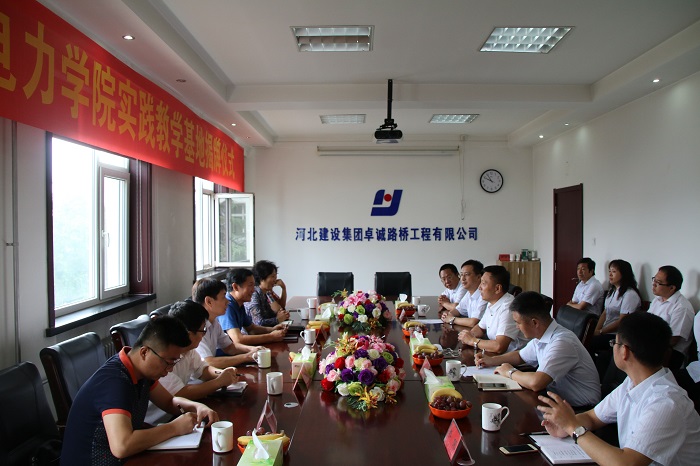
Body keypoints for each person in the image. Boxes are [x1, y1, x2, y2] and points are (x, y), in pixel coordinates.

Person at [537, 312, 700, 466]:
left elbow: (626, 463)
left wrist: (573, 428)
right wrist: (564, 425)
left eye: (614, 343)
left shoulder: (666, 403)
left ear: (624, 351)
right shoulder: (632, 383)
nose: (613, 347)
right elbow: (593, 417)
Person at [60, 317, 219, 466]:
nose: (170, 370)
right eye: (168, 362)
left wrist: (197, 407)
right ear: (144, 352)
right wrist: (174, 428)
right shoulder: (115, 382)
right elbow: (122, 446)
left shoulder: (140, 372)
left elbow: (168, 401)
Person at [476, 292, 600, 408]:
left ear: (534, 323)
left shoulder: (562, 342)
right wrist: (492, 360)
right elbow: (520, 356)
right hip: (556, 398)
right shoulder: (542, 335)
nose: (516, 327)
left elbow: (537, 383)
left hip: (580, 409)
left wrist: (510, 372)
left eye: (518, 322)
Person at [145, 300, 239, 424]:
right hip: (158, 421)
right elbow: (180, 393)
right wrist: (219, 382)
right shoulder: (162, 355)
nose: (204, 334)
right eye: (203, 330)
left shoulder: (188, 350)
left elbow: (203, 370)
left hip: (178, 414)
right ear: (188, 334)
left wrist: (223, 374)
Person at [192, 277, 260, 369]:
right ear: (209, 301)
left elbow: (229, 347)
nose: (227, 301)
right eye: (223, 296)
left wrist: (253, 349)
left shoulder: (214, 322)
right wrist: (247, 357)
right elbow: (208, 362)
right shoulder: (195, 327)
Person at [458, 265, 525, 354]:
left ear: (497, 288)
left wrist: (472, 341)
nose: (479, 287)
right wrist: (469, 335)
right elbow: (480, 328)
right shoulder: (492, 302)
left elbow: (499, 346)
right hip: (496, 355)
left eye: (483, 283)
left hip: (515, 358)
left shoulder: (508, 308)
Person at [220, 268, 288, 345]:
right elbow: (238, 339)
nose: (253, 290)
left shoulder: (239, 303)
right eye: (250, 285)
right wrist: (271, 337)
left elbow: (251, 328)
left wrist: (272, 329)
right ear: (235, 287)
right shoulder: (227, 306)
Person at [648, 265, 695, 362]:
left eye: (658, 282)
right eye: (654, 280)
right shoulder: (657, 300)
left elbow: (673, 340)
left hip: (671, 353)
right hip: (652, 344)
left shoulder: (682, 307)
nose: (654, 284)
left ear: (672, 287)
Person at [591, 259, 642, 348]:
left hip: (618, 336)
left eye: (614, 271)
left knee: (589, 342)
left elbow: (622, 320)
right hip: (606, 331)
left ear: (624, 274)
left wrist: (601, 332)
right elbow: (605, 313)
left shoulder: (630, 294)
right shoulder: (612, 291)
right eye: (609, 271)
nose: (610, 274)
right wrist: (596, 330)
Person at [441, 260, 487, 328]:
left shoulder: (484, 296)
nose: (462, 279)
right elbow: (458, 310)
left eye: (467, 274)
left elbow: (473, 322)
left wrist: (452, 319)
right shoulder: (469, 293)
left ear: (478, 277)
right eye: (462, 274)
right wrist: (448, 314)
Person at [245, 260, 291, 327]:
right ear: (261, 278)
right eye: (272, 276)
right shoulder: (254, 294)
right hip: (254, 333)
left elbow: (271, 314)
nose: (275, 280)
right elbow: (258, 323)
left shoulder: (264, 293)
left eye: (275, 276)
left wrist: (282, 314)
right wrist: (277, 319)